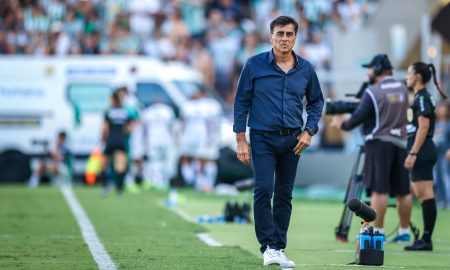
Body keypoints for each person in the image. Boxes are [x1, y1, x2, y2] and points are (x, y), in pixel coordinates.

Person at [233, 16, 324, 268]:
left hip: (293, 140)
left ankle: (278, 247)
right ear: (270, 36)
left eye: (289, 34)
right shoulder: (254, 65)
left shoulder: (305, 68)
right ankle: (267, 247)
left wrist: (309, 131)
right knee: (264, 189)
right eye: (280, 34)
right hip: (262, 137)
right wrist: (241, 139)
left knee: (285, 194)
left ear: (296, 38)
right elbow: (241, 102)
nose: (284, 38)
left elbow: (316, 102)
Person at [332, 54, 413, 242]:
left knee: (379, 190)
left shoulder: (373, 91)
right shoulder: (402, 88)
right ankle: (404, 232)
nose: (368, 72)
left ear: (377, 69)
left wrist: (341, 124)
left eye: (370, 68)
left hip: (379, 144)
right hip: (401, 142)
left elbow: (357, 118)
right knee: (403, 191)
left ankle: (379, 232)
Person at [403, 62, 447, 251]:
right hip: (420, 149)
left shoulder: (422, 98)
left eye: (409, 73)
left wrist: (413, 152)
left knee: (426, 194)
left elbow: (424, 127)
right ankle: (425, 238)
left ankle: (427, 239)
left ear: (418, 77)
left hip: (421, 150)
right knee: (422, 195)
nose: (407, 77)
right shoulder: (420, 97)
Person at [141, 98, 176, 190]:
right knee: (163, 161)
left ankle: (156, 181)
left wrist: (144, 141)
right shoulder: (167, 110)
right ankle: (163, 181)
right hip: (165, 139)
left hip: (153, 140)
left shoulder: (148, 112)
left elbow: (145, 129)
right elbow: (171, 126)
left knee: (155, 161)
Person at [101, 91, 132, 196]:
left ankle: (106, 186)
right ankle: (119, 189)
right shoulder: (125, 112)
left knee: (104, 164)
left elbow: (105, 128)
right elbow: (129, 128)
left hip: (111, 139)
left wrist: (103, 138)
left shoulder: (108, 112)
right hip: (121, 139)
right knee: (120, 165)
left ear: (113, 100)